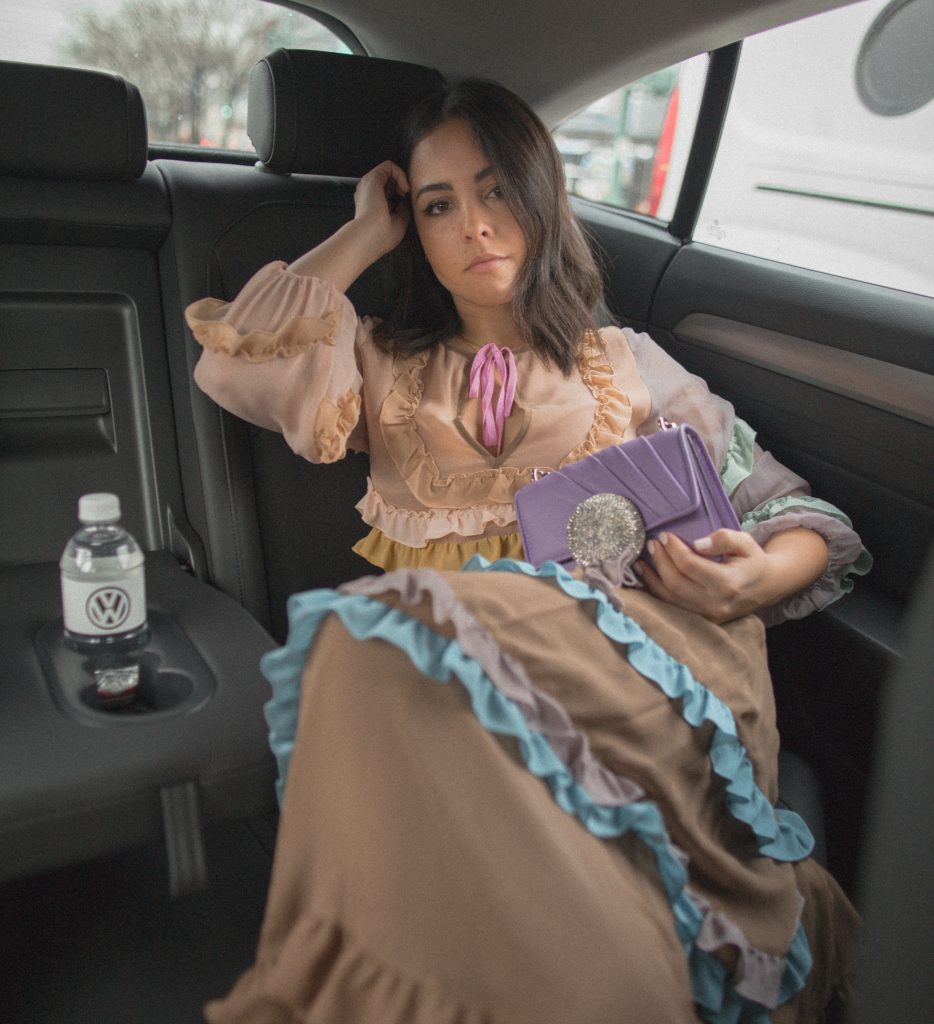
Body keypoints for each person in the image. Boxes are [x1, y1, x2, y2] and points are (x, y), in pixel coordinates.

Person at [186, 79, 870, 1024]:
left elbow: (803, 517)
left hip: (636, 667)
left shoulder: (627, 364)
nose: (474, 224)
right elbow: (235, 361)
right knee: (369, 655)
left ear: (544, 195)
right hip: (455, 682)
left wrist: (754, 576)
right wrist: (361, 232)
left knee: (362, 645)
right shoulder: (382, 368)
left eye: (498, 187)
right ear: (413, 229)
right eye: (438, 206)